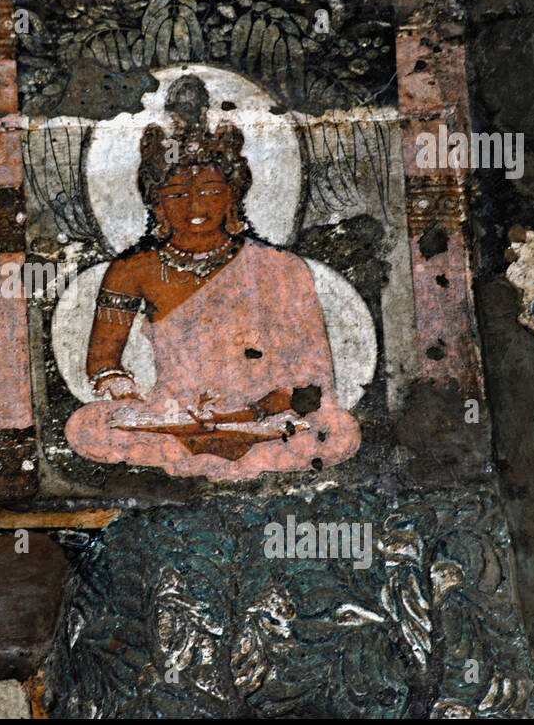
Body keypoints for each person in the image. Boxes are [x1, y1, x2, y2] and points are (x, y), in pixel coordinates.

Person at [65, 78, 360, 480]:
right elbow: (103, 362)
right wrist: (125, 390)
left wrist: (249, 413)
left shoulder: (281, 268)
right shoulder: (132, 270)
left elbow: (311, 381)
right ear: (157, 203)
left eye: (209, 191)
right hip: (175, 414)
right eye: (177, 195)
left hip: (262, 417)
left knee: (336, 432)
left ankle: (218, 443)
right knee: (87, 427)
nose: (194, 206)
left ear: (233, 195)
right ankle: (198, 441)